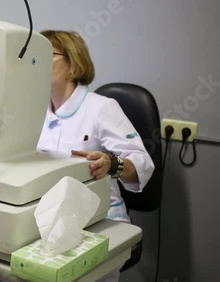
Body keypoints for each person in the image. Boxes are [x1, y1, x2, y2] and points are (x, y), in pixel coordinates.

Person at [36, 30, 155, 281]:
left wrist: (113, 164)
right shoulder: (34, 110)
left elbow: (143, 163)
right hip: (48, 219)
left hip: (101, 221)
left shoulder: (101, 108)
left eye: (48, 55)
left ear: (73, 65)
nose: (37, 61)